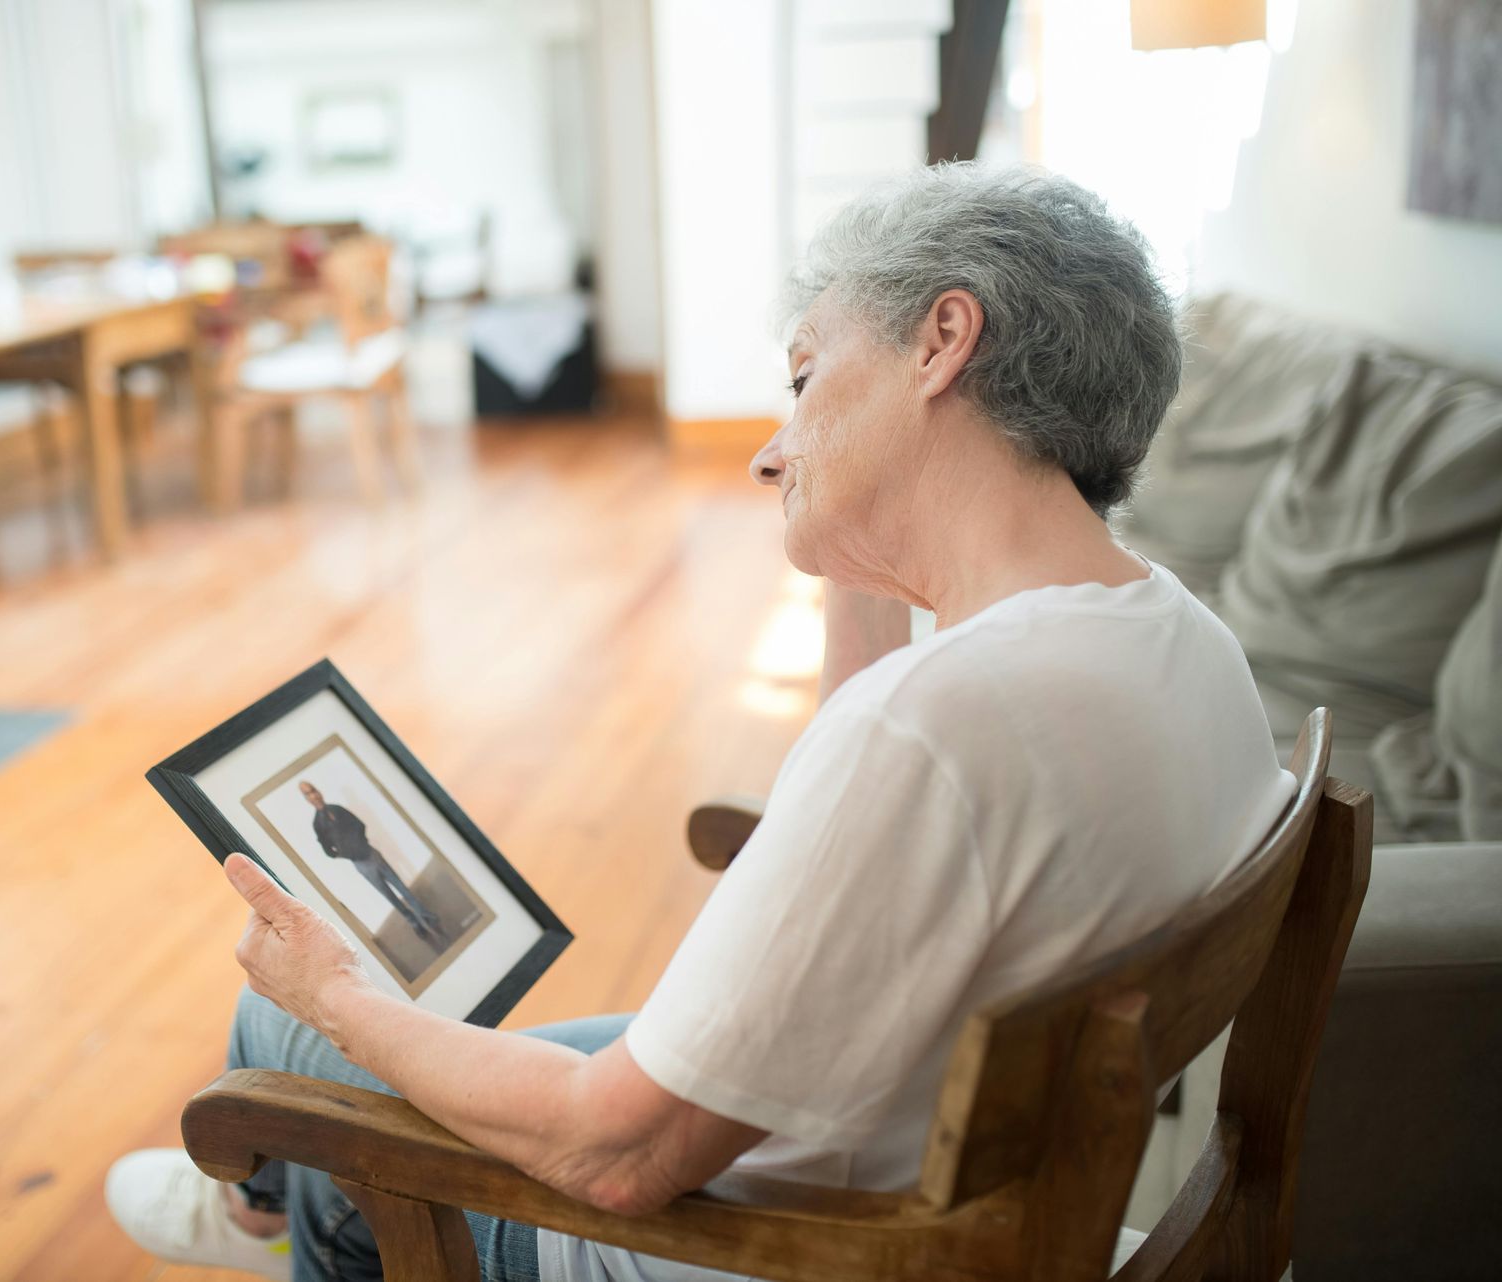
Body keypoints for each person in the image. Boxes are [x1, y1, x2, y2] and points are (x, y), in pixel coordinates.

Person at [104, 163, 1296, 1282]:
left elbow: (616, 1156)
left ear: (942, 341)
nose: (774, 447)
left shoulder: (933, 732)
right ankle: (265, 1210)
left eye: (804, 377)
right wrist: (859, 519)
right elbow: (891, 795)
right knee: (349, 1054)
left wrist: (337, 998)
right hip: (914, 1148)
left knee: (294, 1036)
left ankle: (257, 1209)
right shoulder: (1184, 645)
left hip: (757, 1237)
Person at [299, 780, 445, 946]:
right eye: (308, 794)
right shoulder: (318, 824)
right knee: (389, 895)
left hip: (372, 854)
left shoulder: (337, 809)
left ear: (319, 791)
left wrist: (360, 842)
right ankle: (414, 922)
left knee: (401, 888)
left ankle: (426, 916)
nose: (314, 795)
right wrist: (347, 853)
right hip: (362, 865)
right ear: (307, 799)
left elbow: (359, 824)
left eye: (313, 790)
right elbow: (327, 850)